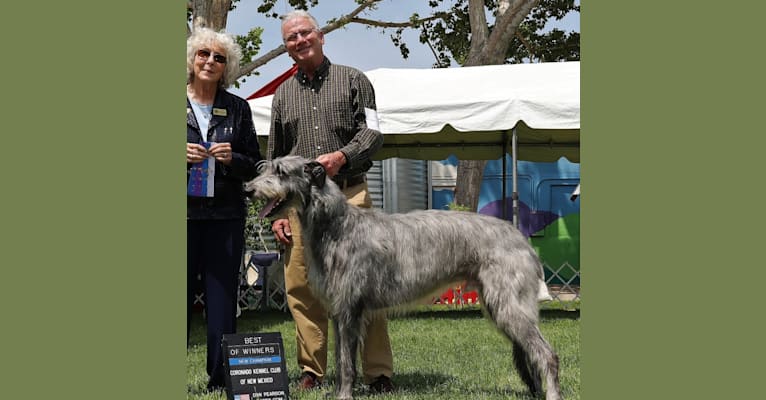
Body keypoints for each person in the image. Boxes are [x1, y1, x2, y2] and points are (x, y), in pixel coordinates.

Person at [267, 10, 394, 394]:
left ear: (321, 36)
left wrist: (342, 157)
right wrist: (278, 213)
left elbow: (373, 133)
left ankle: (378, 373)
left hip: (351, 196)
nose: (299, 40)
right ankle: (312, 369)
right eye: (291, 37)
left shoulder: (355, 80)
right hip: (301, 206)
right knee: (302, 286)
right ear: (286, 47)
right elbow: (276, 157)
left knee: (364, 288)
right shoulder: (281, 96)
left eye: (305, 33)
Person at [186, 27, 263, 392]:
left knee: (221, 302)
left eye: (219, 57)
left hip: (225, 217)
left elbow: (256, 166)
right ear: (191, 58)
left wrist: (235, 159)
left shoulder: (238, 108)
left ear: (227, 66)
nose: (210, 61)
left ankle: (220, 379)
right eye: (204, 53)